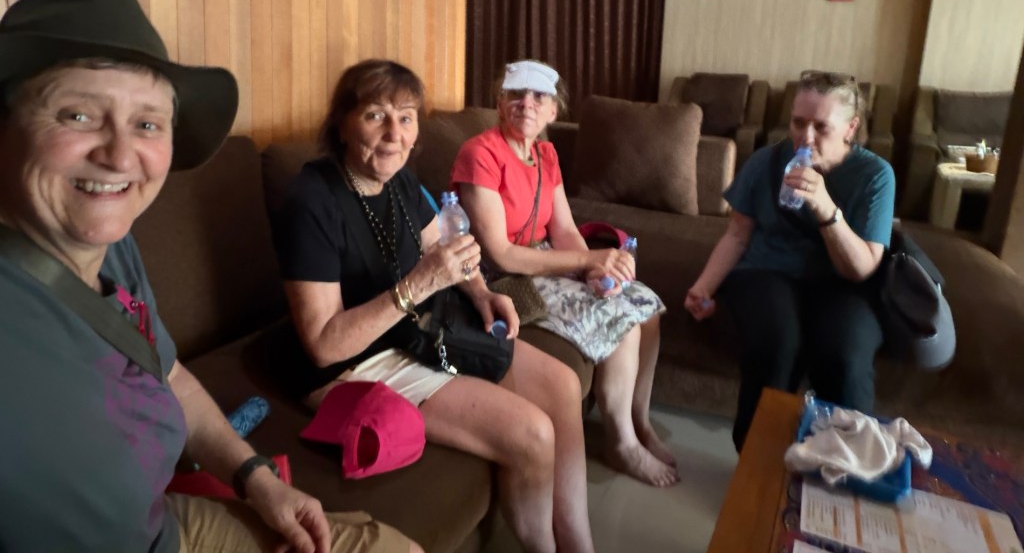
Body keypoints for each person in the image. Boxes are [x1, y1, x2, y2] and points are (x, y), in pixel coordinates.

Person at [0, 0, 417, 553]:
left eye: (147, 124)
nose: (119, 156)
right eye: (77, 115)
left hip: (165, 529)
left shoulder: (112, 245)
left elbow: (168, 375)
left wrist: (256, 479)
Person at [272, 59, 596, 553]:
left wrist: (482, 293)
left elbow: (439, 248)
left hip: (416, 327)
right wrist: (418, 287)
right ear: (341, 124)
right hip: (354, 362)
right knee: (532, 434)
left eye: (405, 118)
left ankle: (577, 541)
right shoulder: (312, 201)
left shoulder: (399, 180)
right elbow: (323, 345)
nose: (393, 134)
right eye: (375, 116)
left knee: (563, 384)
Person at [451, 60, 679, 488]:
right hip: (501, 274)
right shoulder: (480, 154)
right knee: (623, 320)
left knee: (645, 305)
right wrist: (586, 262)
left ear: (553, 111)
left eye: (539, 96)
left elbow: (565, 231)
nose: (527, 103)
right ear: (499, 103)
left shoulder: (546, 155)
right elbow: (502, 254)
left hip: (543, 259)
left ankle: (639, 420)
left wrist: (595, 268)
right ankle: (622, 442)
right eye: (516, 94)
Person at [684, 71, 896, 451]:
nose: (805, 137)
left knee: (845, 354)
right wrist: (704, 286)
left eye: (821, 127)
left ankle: (842, 458)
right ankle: (757, 457)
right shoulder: (766, 162)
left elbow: (862, 268)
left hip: (840, 282)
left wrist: (826, 209)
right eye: (798, 123)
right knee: (777, 343)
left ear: (850, 128)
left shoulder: (875, 175)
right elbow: (737, 234)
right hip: (767, 271)